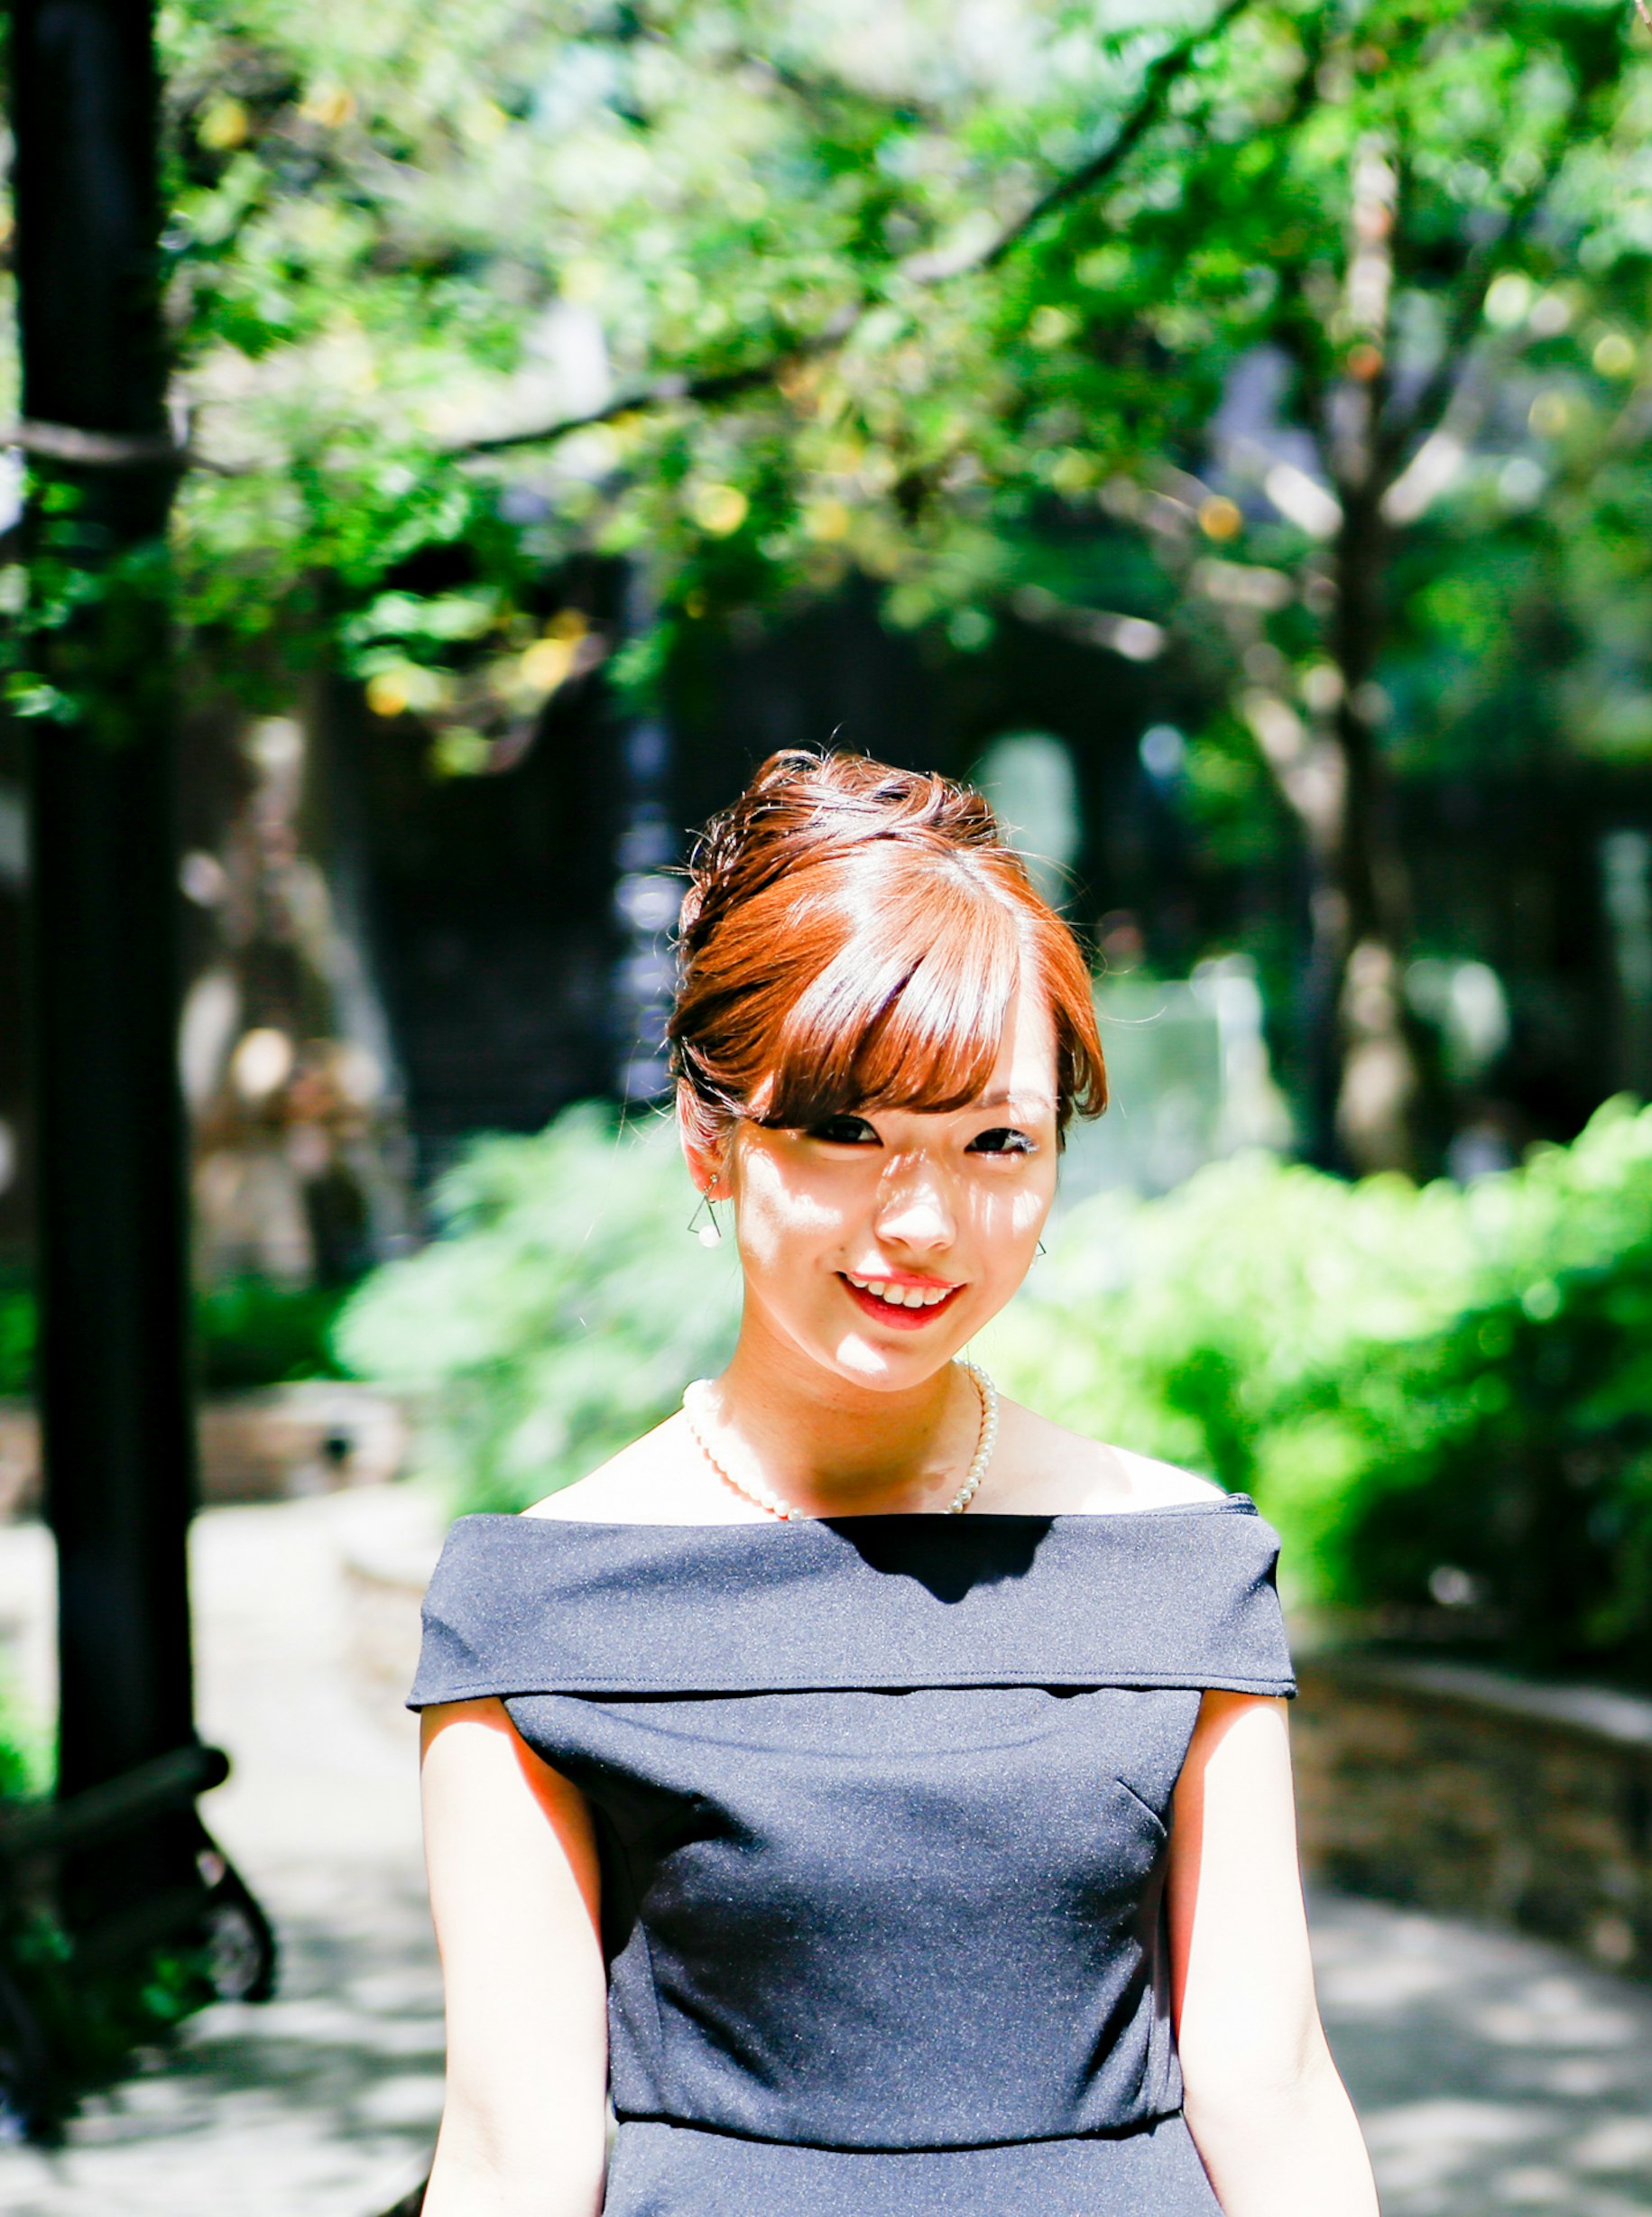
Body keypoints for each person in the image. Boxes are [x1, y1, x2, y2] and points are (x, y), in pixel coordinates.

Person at [409, 750, 1379, 2217]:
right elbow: (512, 2158)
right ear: (711, 1136)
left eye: (997, 1141)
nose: (922, 1222)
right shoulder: (542, 1606)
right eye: (847, 1133)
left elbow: (1276, 2094)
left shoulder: (1181, 1564)